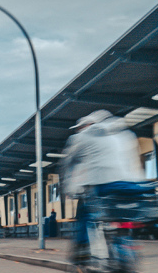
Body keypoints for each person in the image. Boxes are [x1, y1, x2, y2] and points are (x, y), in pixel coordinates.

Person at [61, 110, 144, 261]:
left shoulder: (82, 137)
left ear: (88, 125)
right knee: (122, 216)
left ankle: (83, 247)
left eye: (80, 127)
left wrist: (68, 188)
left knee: (85, 213)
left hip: (104, 185)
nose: (79, 130)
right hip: (133, 186)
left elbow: (69, 162)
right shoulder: (125, 135)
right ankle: (126, 252)